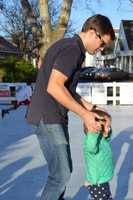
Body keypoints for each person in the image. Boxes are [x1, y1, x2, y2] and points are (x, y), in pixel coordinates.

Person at [26, 14, 115, 200]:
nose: (101, 49)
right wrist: (84, 115)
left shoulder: (72, 48)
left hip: (52, 116)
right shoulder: (72, 50)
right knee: (61, 175)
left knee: (63, 170)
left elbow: (66, 89)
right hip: (48, 117)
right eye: (102, 44)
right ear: (92, 32)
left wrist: (92, 107)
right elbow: (54, 87)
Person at [83, 109, 113, 200]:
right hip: (97, 182)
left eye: (109, 126)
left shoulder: (102, 139)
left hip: (103, 180)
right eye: (107, 126)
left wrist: (107, 132)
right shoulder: (91, 141)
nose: (109, 128)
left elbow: (107, 139)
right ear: (98, 127)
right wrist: (93, 131)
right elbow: (91, 148)